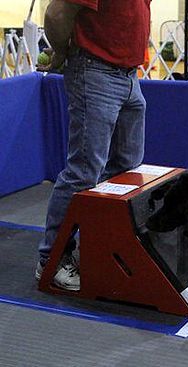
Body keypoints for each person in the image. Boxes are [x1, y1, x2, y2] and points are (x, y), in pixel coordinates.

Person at [35, 0, 151, 291]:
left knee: (126, 170)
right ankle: (52, 260)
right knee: (83, 173)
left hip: (129, 76)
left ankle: (103, 252)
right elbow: (56, 12)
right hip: (95, 71)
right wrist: (61, 51)